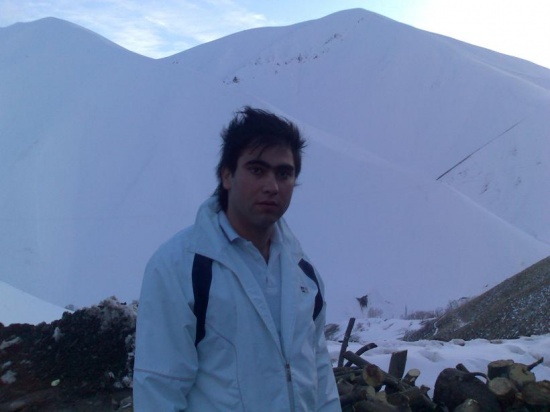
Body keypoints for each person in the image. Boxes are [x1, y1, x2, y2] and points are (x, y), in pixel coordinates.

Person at [133, 106, 341, 411]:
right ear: (227, 175)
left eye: (284, 173)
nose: (272, 186)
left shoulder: (304, 274)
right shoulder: (180, 267)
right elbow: (158, 387)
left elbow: (320, 379)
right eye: (257, 170)